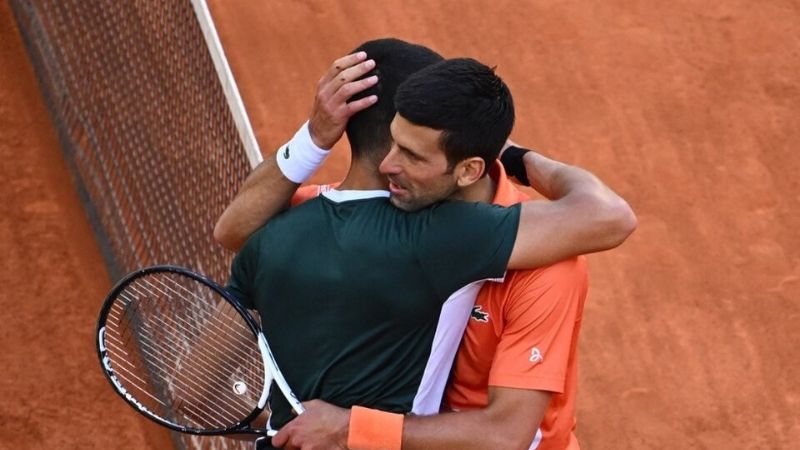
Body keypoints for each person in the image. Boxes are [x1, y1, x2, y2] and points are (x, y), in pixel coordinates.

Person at [218, 40, 636, 450]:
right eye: (393, 141)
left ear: (468, 170)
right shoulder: (379, 214)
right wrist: (313, 137)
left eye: (412, 154)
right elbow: (236, 231)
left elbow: (505, 434)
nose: (388, 164)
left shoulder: (544, 263)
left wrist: (516, 158)